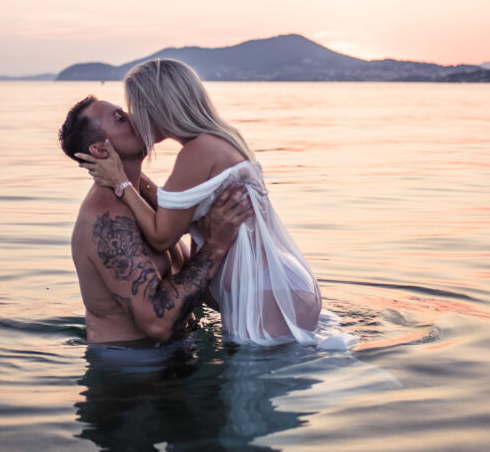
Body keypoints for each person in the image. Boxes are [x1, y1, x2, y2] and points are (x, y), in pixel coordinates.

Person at [75, 59, 323, 346]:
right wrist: (130, 178)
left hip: (264, 294)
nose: (134, 118)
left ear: (157, 106)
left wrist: (122, 181)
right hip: (277, 283)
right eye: (122, 116)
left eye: (135, 108)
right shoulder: (221, 139)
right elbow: (173, 214)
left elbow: (161, 235)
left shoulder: (196, 153)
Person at [58, 95, 253, 346]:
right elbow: (158, 323)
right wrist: (215, 245)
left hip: (179, 351)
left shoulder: (140, 201)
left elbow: (200, 287)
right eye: (120, 118)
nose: (135, 117)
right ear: (100, 150)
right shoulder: (107, 218)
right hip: (132, 363)